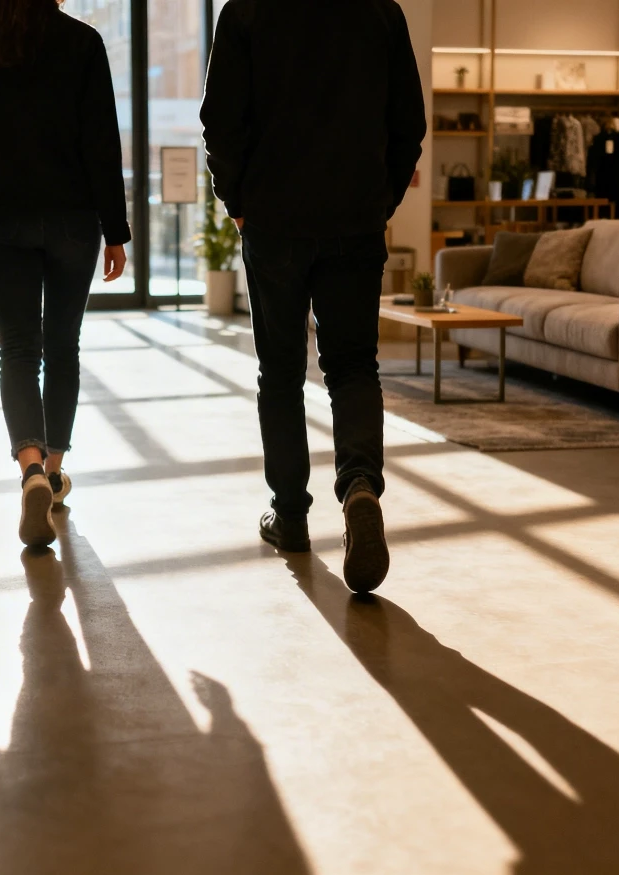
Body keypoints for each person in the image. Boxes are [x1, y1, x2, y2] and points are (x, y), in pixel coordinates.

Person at [201, 0, 426, 593]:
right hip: (354, 220)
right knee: (353, 367)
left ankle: (293, 517)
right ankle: (358, 488)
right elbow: (409, 125)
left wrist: (238, 203)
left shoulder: (246, 10)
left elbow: (220, 122)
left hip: (273, 224)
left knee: (279, 371)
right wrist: (381, 203)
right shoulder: (381, 11)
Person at [0, 0, 130, 548]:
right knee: (63, 346)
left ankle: (28, 469)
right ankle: (52, 470)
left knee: (19, 350)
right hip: (73, 218)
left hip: (1, 216)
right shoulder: (82, 41)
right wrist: (115, 229)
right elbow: (101, 141)